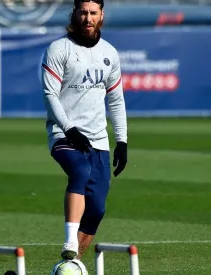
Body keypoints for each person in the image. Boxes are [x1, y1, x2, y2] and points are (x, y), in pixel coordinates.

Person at [40, 0, 128, 260]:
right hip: (63, 133)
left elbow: (116, 100)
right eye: (83, 12)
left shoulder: (110, 53)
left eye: (93, 13)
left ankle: (71, 264)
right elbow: (50, 95)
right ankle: (69, 242)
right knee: (80, 170)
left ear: (101, 15)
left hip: (98, 139)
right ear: (75, 14)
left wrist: (121, 141)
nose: (88, 18)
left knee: (97, 210)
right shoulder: (59, 49)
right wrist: (69, 128)